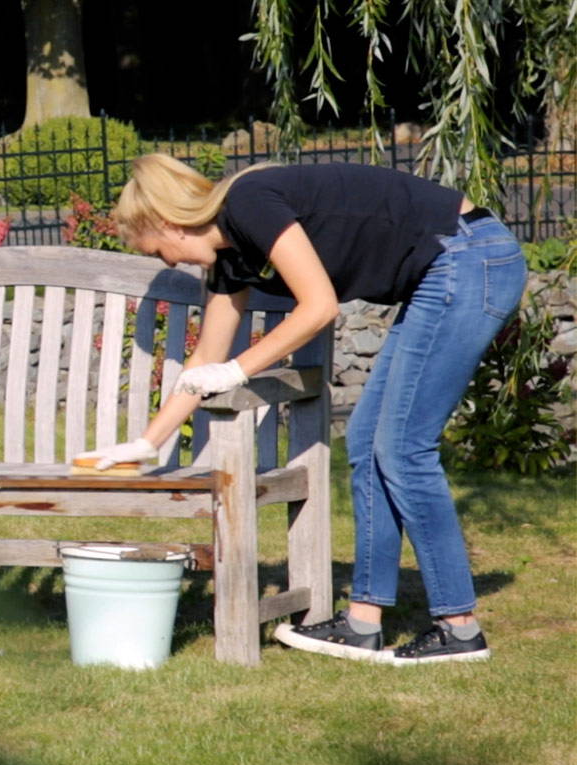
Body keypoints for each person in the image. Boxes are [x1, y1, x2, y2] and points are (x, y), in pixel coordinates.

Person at [75, 153, 526, 665]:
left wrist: (239, 370)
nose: (172, 264)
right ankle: (363, 622)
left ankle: (459, 629)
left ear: (167, 223)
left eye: (160, 252)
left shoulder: (249, 201)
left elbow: (319, 306)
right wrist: (147, 442)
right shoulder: (233, 256)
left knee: (403, 449)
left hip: (468, 257)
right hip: (446, 269)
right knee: (366, 443)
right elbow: (205, 358)